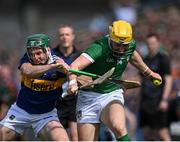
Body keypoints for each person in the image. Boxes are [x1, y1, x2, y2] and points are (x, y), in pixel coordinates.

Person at [67, 20, 162, 141]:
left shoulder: (129, 45)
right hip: (88, 98)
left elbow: (132, 55)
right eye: (117, 45)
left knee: (119, 127)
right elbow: (75, 66)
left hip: (111, 93)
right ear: (111, 39)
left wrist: (149, 73)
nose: (121, 49)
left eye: (124, 45)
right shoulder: (99, 48)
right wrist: (72, 82)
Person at [0, 34, 70, 141]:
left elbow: (75, 74)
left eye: (38, 53)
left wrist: (73, 79)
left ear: (47, 50)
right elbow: (28, 71)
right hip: (21, 111)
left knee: (62, 139)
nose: (35, 58)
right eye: (32, 54)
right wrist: (53, 67)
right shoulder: (27, 60)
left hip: (46, 115)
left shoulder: (61, 61)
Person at [139, 33, 172, 140]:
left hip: (158, 101)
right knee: (147, 133)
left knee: (163, 133)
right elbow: (141, 80)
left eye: (153, 43)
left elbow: (168, 79)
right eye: (148, 44)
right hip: (145, 102)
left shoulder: (163, 58)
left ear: (158, 43)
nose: (150, 46)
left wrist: (164, 100)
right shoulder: (145, 59)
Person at [53, 25, 80, 141]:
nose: (64, 37)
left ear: (73, 37)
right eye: (61, 35)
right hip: (55, 103)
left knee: (76, 137)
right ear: (58, 37)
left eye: (67, 34)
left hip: (74, 101)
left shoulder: (80, 56)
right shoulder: (51, 56)